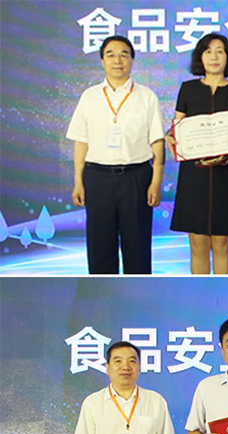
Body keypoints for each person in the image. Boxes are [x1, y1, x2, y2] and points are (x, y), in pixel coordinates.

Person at [66, 35, 165, 274]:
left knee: (138, 248)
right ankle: (102, 295)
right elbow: (81, 141)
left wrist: (155, 183)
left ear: (132, 60)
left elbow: (157, 143)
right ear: (102, 60)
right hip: (97, 178)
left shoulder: (146, 96)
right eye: (110, 55)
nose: (117, 60)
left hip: (136, 178)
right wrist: (78, 181)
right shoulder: (89, 96)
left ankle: (138, 292)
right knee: (100, 248)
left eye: (124, 55)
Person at [168, 34, 228, 274]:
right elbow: (178, 125)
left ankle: (222, 291)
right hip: (194, 176)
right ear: (200, 57)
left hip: (226, 175)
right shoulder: (188, 89)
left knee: (222, 244)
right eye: (208, 51)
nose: (214, 57)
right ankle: (199, 289)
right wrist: (169, 136)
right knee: (197, 244)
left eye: (220, 51)